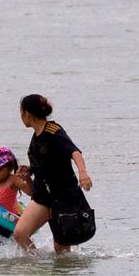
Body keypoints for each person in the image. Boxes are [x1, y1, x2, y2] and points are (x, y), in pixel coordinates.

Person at [12, 94, 96, 253]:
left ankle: (62, 274)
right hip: (44, 196)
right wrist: (28, 170)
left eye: (20, 112)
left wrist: (83, 174)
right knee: (20, 233)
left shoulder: (54, 131)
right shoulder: (35, 139)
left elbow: (75, 152)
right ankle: (37, 267)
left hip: (64, 196)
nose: (20, 116)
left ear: (27, 114)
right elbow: (43, 166)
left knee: (61, 247)